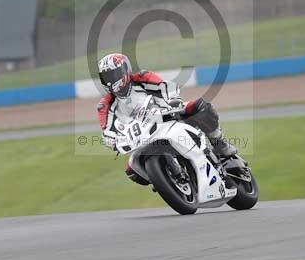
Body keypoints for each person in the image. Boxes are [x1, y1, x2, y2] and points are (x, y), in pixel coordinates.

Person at [96, 52, 238, 185]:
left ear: (124, 70)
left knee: (201, 107)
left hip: (168, 113)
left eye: (113, 74)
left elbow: (165, 85)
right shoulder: (105, 105)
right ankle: (164, 179)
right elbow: (107, 129)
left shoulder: (141, 78)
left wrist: (172, 100)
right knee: (132, 171)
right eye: (106, 77)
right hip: (143, 135)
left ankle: (220, 143)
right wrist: (111, 139)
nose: (110, 80)